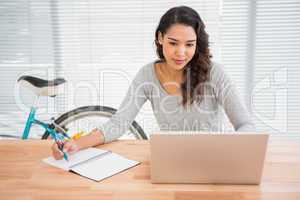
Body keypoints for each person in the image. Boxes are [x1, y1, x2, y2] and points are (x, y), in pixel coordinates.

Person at [52, 6, 255, 160]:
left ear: (197, 44)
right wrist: (76, 144)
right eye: (173, 43)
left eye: (189, 45)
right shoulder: (147, 75)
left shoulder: (215, 73)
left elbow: (245, 124)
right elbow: (119, 122)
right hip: (172, 160)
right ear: (160, 38)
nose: (181, 53)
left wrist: (230, 149)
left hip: (213, 160)